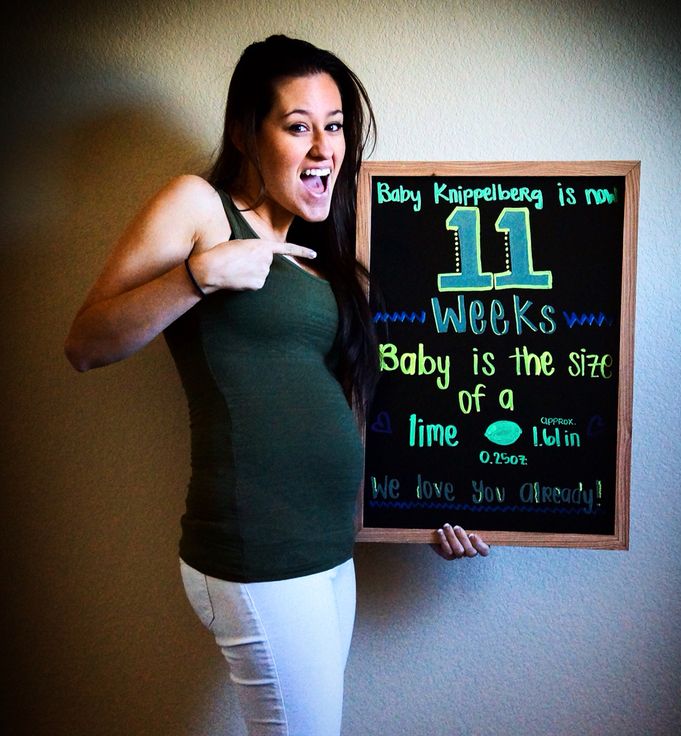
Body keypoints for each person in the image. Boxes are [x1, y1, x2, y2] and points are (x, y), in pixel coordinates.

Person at [64, 34, 489, 736]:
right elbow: (85, 344)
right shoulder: (201, 207)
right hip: (258, 549)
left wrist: (432, 504)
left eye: (335, 126)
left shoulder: (328, 253)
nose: (324, 148)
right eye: (298, 127)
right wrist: (200, 275)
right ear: (244, 132)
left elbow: (357, 407)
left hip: (328, 550)